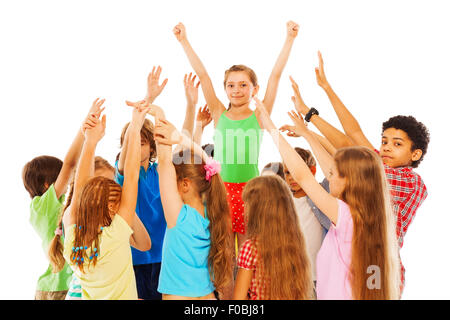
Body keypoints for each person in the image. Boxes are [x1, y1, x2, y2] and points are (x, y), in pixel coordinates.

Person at [290, 52, 430, 292]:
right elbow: (346, 147)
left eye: (397, 144)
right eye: (384, 141)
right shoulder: (378, 169)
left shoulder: (410, 182)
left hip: (379, 265)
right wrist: (309, 128)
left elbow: (352, 141)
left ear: (414, 154)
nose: (386, 147)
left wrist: (315, 110)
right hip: (355, 257)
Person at [254, 97, 401, 299]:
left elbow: (303, 175)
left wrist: (271, 128)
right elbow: (330, 169)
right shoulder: (370, 216)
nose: (327, 176)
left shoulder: (345, 216)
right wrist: (306, 134)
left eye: (332, 174)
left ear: (350, 181)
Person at [173, 21, 299, 250]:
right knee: (223, 248)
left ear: (254, 89)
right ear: (225, 89)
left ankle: (247, 287)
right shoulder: (219, 113)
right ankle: (225, 287)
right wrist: (184, 41)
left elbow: (275, 76)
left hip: (249, 190)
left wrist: (289, 39)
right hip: (221, 189)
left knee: (246, 247)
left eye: (243, 85)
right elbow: (203, 75)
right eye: (231, 86)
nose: (237, 90)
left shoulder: (259, 116)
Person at [62, 101, 151, 300]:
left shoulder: (72, 245)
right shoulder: (114, 237)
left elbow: (79, 191)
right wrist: (135, 126)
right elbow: (131, 175)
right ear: (112, 208)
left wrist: (91, 140)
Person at [22, 98, 105, 300]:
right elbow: (69, 165)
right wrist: (83, 131)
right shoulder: (40, 207)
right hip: (56, 289)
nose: (67, 182)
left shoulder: (58, 206)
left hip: (64, 286)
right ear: (46, 185)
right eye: (60, 179)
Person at [150, 107, 233, 300]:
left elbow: (163, 160)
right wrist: (180, 138)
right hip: (207, 296)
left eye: (174, 180)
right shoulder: (212, 213)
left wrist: (159, 114)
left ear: (185, 184)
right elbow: (209, 167)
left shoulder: (179, 216)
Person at [116, 67, 167, 300]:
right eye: (134, 143)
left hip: (163, 257)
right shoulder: (126, 173)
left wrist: (152, 103)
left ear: (151, 147)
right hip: (134, 258)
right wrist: (135, 123)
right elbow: (128, 156)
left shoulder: (161, 171)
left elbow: (170, 145)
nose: (138, 147)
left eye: (143, 143)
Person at [233, 175, 313, 300]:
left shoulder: (251, 249)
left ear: (258, 210)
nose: (244, 209)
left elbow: (238, 300)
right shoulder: (296, 244)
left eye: (247, 203)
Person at [48, 156, 115, 300]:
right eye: (100, 184)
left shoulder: (112, 219)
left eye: (112, 184)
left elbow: (144, 244)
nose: (107, 190)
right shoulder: (75, 217)